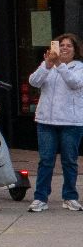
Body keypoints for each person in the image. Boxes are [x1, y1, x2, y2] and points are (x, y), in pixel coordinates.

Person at [28, 33, 83, 212]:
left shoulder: (79, 67)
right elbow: (33, 82)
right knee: (46, 161)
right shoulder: (48, 66)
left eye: (69, 46)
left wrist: (59, 65)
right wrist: (47, 65)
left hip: (71, 122)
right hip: (46, 121)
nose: (65, 48)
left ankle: (70, 197)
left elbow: (74, 83)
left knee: (69, 160)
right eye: (61, 45)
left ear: (75, 50)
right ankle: (40, 198)